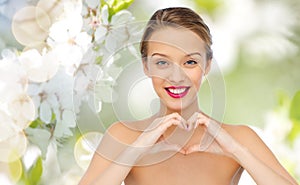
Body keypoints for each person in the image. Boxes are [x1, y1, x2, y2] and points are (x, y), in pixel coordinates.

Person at [79, 7, 298, 185]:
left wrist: (237, 151)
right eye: (162, 62)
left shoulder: (239, 137)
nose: (176, 77)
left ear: (207, 65)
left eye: (190, 62)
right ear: (146, 66)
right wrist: (136, 150)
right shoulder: (124, 136)